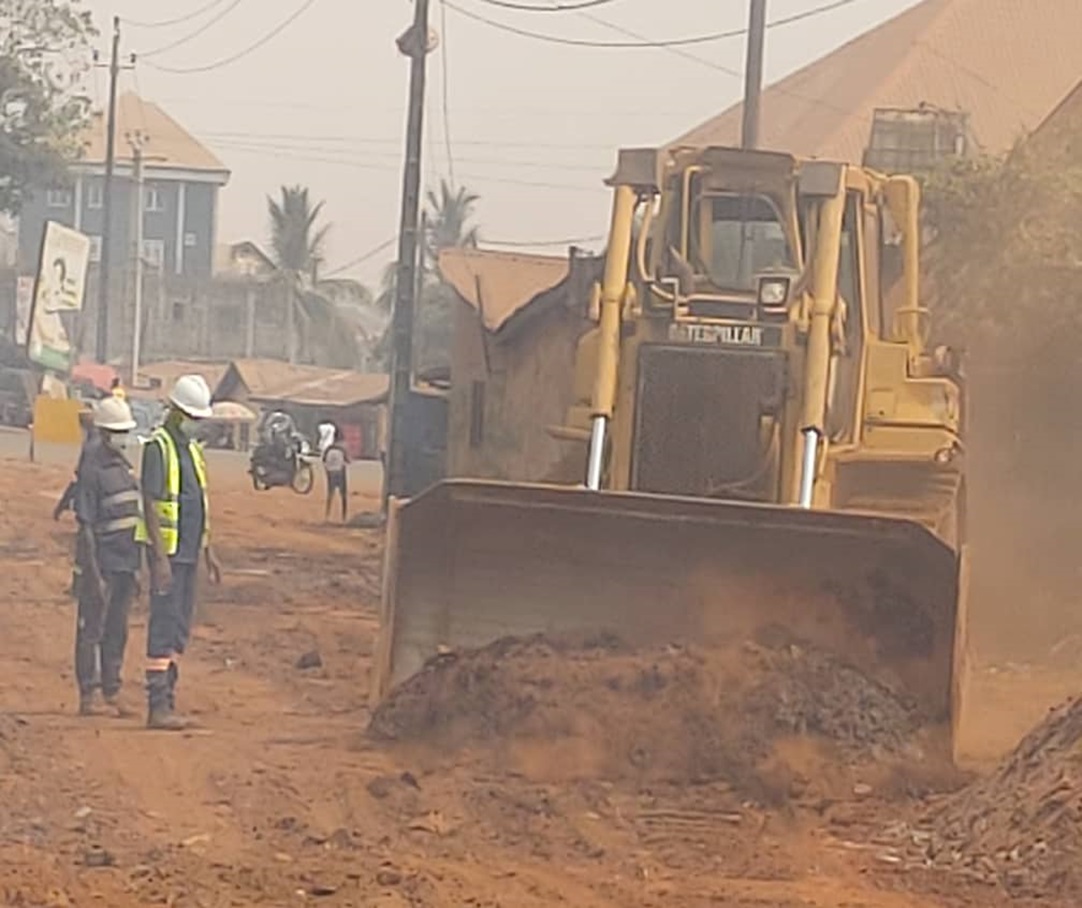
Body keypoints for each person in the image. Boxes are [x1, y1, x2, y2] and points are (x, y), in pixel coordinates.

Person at [137, 374, 222, 730]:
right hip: (168, 556)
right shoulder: (159, 447)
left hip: (188, 553)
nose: (196, 423)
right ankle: (158, 705)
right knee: (163, 624)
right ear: (176, 411)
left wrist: (207, 550)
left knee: (179, 627)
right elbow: (152, 503)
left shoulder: (192, 451)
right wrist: (158, 559)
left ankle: (169, 697)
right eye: (192, 416)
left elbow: (197, 504)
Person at [73, 397, 142, 717]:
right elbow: (85, 526)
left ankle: (112, 690)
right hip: (102, 564)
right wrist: (94, 574)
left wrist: (138, 568)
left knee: (117, 628)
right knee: (92, 629)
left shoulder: (124, 467)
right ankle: (88, 693)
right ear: (102, 432)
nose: (122, 437)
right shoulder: (92, 469)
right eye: (117, 431)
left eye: (124, 431)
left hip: (126, 563)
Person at [323, 434, 350, 522]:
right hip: (340, 473)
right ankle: (344, 517)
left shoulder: (328, 449)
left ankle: (327, 515)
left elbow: (324, 461)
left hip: (330, 473)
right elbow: (347, 461)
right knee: (343, 496)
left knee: (330, 494)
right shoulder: (342, 450)